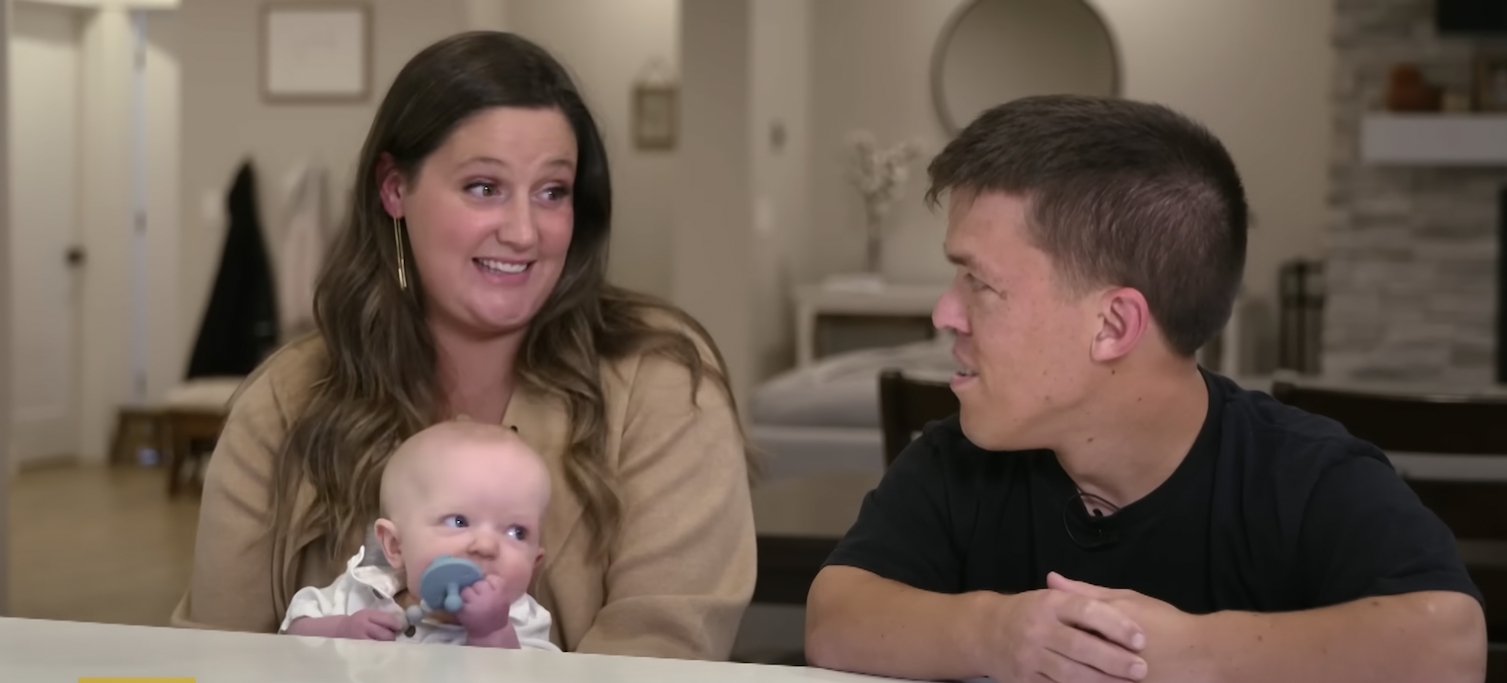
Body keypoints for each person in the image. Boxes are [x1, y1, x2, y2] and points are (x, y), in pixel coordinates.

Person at [804, 95, 1486, 683]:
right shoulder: (958, 461)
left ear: (1113, 324)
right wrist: (991, 630)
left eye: (977, 282)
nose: (944, 313)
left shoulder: (1300, 474)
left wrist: (1190, 652)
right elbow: (835, 616)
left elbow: (1449, 643)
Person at [170, 31, 757, 661]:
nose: (525, 231)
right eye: (484, 187)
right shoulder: (286, 399)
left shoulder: (659, 381)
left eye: (552, 192)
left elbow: (661, 651)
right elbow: (217, 652)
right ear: (394, 188)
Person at [280, 421, 558, 650]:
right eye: (458, 521)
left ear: (534, 562)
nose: (486, 546)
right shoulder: (363, 592)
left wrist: (491, 634)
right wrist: (341, 629)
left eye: (516, 532)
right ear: (394, 545)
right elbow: (290, 638)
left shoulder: (521, 622)